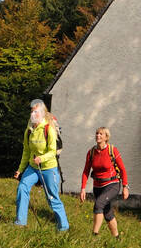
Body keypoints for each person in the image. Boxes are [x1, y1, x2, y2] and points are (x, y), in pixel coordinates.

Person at [13, 99, 69, 231]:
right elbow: (26, 151)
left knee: (52, 198)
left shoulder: (48, 128)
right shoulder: (29, 130)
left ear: (42, 113)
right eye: (32, 111)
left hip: (49, 168)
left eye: (36, 111)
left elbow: (52, 151)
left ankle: (63, 228)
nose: (33, 114)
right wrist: (20, 170)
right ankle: (20, 222)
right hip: (33, 167)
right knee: (22, 188)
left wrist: (41, 158)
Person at [80, 127, 128, 238]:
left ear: (106, 137)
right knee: (107, 213)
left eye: (101, 134)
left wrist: (125, 186)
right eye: (97, 133)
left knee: (99, 205)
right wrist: (83, 188)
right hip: (97, 186)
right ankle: (117, 238)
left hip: (112, 184)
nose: (98, 135)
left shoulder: (112, 150)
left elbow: (122, 169)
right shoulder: (91, 152)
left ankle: (94, 236)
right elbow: (86, 171)